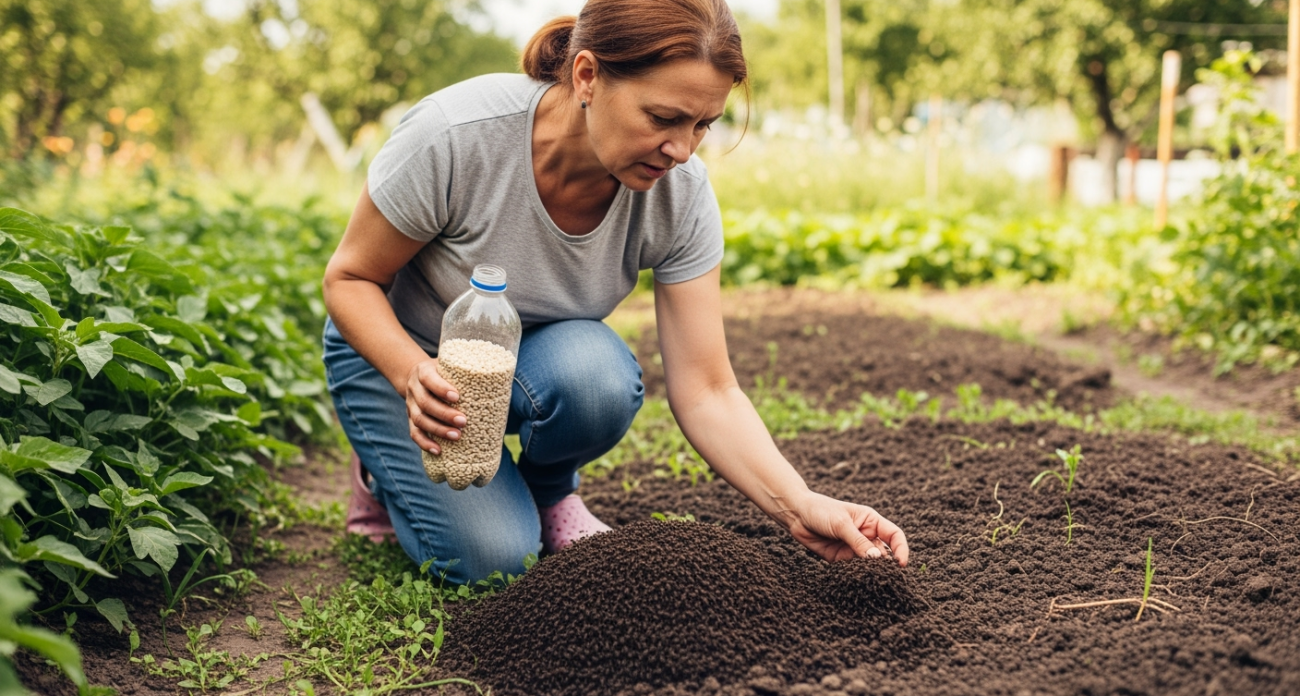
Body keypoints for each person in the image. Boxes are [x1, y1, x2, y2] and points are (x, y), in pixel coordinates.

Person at [321, 0, 909, 585]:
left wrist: (800, 505)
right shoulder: (456, 136)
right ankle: (381, 469)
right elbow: (350, 278)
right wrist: (409, 373)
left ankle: (548, 493)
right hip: (401, 355)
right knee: (493, 561)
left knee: (596, 376)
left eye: (702, 125)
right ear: (587, 76)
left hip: (534, 362)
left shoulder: (680, 195)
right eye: (663, 118)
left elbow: (707, 388)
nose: (682, 150)